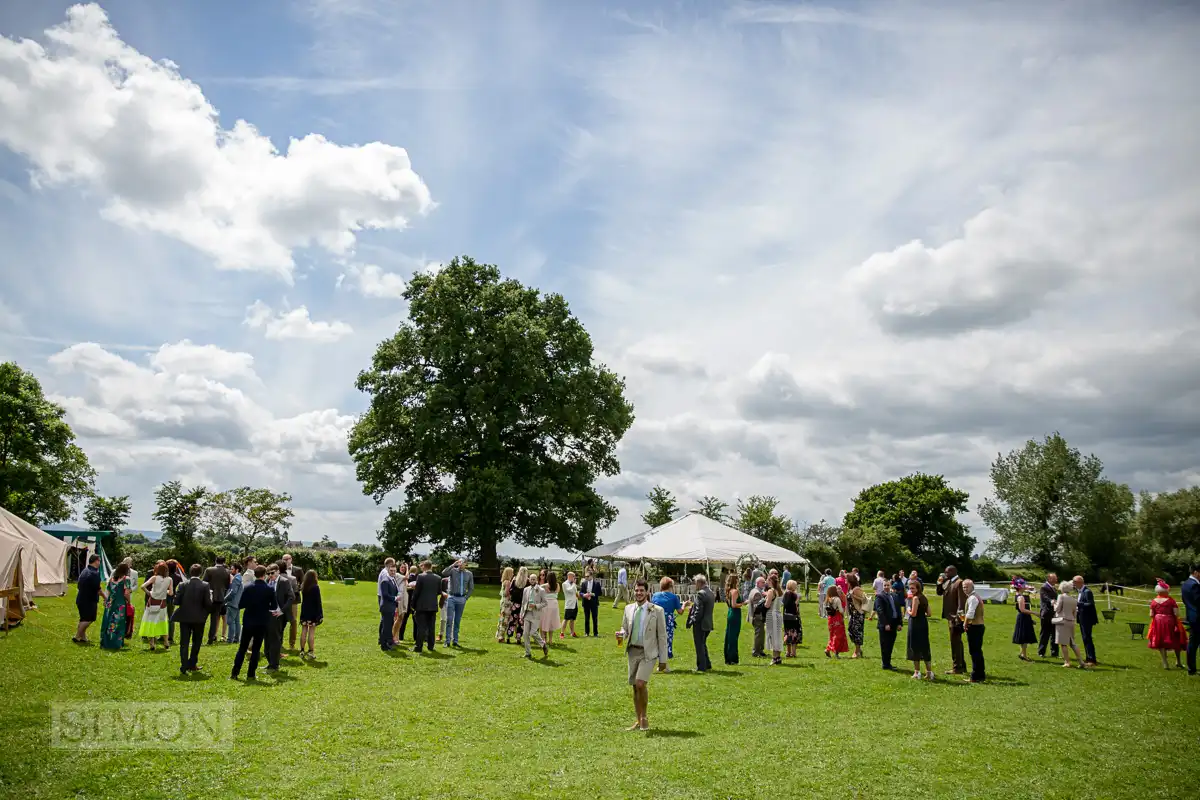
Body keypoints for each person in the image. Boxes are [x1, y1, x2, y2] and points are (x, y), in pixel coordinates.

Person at [617, 579, 668, 731]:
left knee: (640, 683)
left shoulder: (657, 611)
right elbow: (625, 628)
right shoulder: (628, 609)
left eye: (641, 591)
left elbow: (662, 636)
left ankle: (644, 716)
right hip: (632, 651)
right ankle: (638, 720)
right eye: (636, 590)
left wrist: (663, 660)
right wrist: (621, 634)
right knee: (634, 687)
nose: (639, 593)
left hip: (649, 653)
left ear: (647, 592)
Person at [230, 565, 280, 680]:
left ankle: (235, 672)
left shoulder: (248, 587)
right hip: (262, 621)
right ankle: (251, 674)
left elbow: (240, 604)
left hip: (248, 620)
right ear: (264, 575)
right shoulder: (269, 589)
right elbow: (274, 606)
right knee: (256, 649)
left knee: (242, 648)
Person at [173, 563, 214, 675]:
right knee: (197, 642)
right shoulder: (205, 585)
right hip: (199, 618)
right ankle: (192, 663)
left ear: (190, 572)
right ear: (201, 573)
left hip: (185, 617)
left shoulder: (182, 585)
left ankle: (184, 665)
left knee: (184, 642)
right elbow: (208, 603)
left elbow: (176, 601)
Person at [1148, 580, 1186, 670]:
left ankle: (1165, 663)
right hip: (1170, 621)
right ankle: (1178, 661)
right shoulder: (1171, 601)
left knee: (1160, 640)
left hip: (1157, 622)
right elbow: (1176, 613)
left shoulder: (1153, 602)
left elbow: (1151, 615)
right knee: (1176, 639)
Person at [650, 577, 687, 664]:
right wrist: (684, 605)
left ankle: (658, 662)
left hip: (656, 620)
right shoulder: (674, 597)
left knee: (657, 640)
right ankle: (664, 665)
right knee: (666, 642)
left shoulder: (655, 595)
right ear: (671, 586)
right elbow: (680, 612)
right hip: (668, 621)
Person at [138, 562, 173, 650]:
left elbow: (142, 586)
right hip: (162, 603)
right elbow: (171, 592)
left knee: (150, 622)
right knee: (163, 622)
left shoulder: (154, 578)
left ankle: (152, 644)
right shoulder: (169, 579)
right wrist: (164, 591)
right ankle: (166, 642)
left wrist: (149, 593)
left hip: (152, 602)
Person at [410, 560, 443, 653]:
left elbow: (416, 592)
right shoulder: (438, 578)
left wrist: (412, 604)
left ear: (424, 566)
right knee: (431, 627)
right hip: (433, 605)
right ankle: (431, 646)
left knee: (421, 627)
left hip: (422, 605)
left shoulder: (421, 576)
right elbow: (439, 592)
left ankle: (418, 647)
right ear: (431, 566)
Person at [99, 562, 133, 651]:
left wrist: (106, 601)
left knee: (108, 620)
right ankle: (115, 643)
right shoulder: (126, 579)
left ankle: (105, 641)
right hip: (120, 603)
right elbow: (126, 593)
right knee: (118, 622)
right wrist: (129, 602)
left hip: (110, 602)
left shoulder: (111, 579)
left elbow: (109, 591)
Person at [267, 564, 295, 670]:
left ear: (278, 571)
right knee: (267, 640)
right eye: (268, 574)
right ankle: (270, 663)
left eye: (272, 573)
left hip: (278, 614)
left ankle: (274, 665)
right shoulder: (267, 581)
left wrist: (281, 611)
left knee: (275, 640)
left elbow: (291, 597)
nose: (270, 576)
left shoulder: (284, 581)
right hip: (268, 614)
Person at [442, 558, 474, 647]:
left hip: (461, 599)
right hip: (451, 597)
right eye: (459, 562)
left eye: (462, 563)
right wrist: (453, 564)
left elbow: (471, 588)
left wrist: (466, 598)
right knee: (449, 619)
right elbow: (444, 573)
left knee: (457, 620)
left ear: (465, 564)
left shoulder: (469, 574)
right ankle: (447, 641)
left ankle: (455, 641)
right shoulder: (453, 571)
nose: (460, 564)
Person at [940, 565, 967, 675]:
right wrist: (939, 582)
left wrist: (959, 617)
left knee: (955, 642)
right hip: (950, 616)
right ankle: (962, 666)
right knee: (956, 642)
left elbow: (962, 601)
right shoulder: (949, 582)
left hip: (955, 617)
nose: (945, 574)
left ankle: (957, 668)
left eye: (947, 572)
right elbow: (939, 592)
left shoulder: (959, 582)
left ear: (953, 572)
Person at [1053, 580, 1086, 669]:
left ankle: (1067, 662)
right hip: (1071, 621)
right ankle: (1081, 661)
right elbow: (1075, 613)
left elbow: (1058, 609)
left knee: (1063, 643)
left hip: (1062, 621)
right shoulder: (1074, 599)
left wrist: (1054, 604)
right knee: (1072, 643)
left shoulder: (1061, 596)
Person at [906, 578, 933, 679]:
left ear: (918, 588)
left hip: (915, 624)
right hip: (923, 623)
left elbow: (913, 614)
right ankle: (929, 672)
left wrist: (908, 609)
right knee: (925, 646)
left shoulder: (915, 598)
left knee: (914, 647)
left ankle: (917, 672)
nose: (911, 590)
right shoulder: (924, 597)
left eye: (913, 588)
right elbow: (929, 613)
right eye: (910, 588)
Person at [874, 578, 902, 671]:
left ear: (891, 586)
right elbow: (880, 611)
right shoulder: (879, 596)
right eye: (884, 585)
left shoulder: (894, 596)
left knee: (891, 644)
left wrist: (899, 623)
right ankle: (885, 664)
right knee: (885, 645)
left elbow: (898, 610)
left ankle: (888, 662)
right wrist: (885, 623)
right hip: (885, 624)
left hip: (894, 623)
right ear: (882, 586)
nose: (886, 587)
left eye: (888, 585)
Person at [73, 554, 102, 643]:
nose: (100, 563)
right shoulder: (94, 573)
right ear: (96, 561)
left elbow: (79, 585)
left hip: (81, 599)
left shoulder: (85, 571)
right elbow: (98, 589)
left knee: (83, 618)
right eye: (99, 561)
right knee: (89, 619)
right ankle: (77, 636)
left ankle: (83, 638)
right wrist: (106, 598)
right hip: (89, 600)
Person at [961, 579, 986, 683]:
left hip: (975, 627)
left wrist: (965, 623)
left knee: (975, 652)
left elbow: (970, 614)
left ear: (972, 587)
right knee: (977, 651)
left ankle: (976, 676)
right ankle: (980, 675)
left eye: (966, 587)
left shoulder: (972, 598)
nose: (964, 589)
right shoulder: (974, 596)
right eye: (963, 587)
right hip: (978, 626)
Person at [520, 572, 549, 658]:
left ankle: (543, 645)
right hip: (527, 613)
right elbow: (523, 602)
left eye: (534, 579)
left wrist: (536, 606)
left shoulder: (541, 590)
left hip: (536, 614)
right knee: (525, 634)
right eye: (531, 579)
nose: (532, 580)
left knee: (533, 632)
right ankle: (528, 652)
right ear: (529, 580)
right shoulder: (526, 589)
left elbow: (545, 603)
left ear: (536, 580)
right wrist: (521, 614)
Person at [202, 556, 230, 645]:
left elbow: (204, 582)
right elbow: (227, 586)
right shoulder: (227, 572)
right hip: (220, 598)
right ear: (224, 562)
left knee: (202, 619)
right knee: (214, 620)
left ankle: (198, 638)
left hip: (208, 597)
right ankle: (211, 639)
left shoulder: (209, 570)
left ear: (215, 561)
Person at [691, 574, 715, 672]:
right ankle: (707, 663)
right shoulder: (710, 592)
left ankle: (701, 666)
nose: (694, 585)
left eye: (695, 583)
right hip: (708, 622)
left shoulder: (701, 593)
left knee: (699, 645)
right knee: (703, 644)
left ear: (699, 583)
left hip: (700, 623)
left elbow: (699, 610)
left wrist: (693, 619)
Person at [1073, 575, 1098, 666]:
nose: (1073, 584)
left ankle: (1092, 659)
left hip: (1087, 618)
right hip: (1082, 618)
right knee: (1085, 638)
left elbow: (1090, 604)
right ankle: (1088, 658)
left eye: (1074, 582)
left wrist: (1078, 603)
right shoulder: (1080, 591)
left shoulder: (1087, 591)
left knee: (1087, 637)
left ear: (1080, 582)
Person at [280, 554, 303, 650]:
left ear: (291, 559)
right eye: (283, 559)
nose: (285, 561)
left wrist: (297, 588)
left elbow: (302, 583)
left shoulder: (298, 570)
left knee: (293, 621)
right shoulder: (279, 570)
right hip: (281, 600)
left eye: (287, 559)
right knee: (280, 621)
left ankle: (292, 644)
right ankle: (279, 643)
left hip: (294, 600)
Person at [1011, 578, 1037, 661]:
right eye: (1024, 585)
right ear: (1020, 587)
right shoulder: (1021, 597)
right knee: (1024, 637)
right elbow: (1022, 609)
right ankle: (1024, 655)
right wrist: (1034, 613)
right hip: (1023, 617)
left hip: (1023, 617)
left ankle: (1022, 653)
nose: (1025, 586)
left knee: (1024, 637)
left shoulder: (1017, 595)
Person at [299, 569, 322, 659]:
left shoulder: (303, 586)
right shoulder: (315, 587)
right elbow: (318, 602)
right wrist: (320, 614)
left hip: (305, 611)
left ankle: (301, 650)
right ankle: (311, 651)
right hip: (313, 612)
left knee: (304, 630)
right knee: (311, 632)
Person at [1037, 572, 1060, 659]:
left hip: (1054, 613)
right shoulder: (1044, 587)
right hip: (1046, 613)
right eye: (1054, 578)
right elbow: (1045, 597)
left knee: (1054, 634)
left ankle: (1055, 653)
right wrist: (1051, 601)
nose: (1056, 580)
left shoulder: (1054, 588)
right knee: (1045, 633)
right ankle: (1041, 652)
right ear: (1049, 579)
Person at [762, 574, 784, 665]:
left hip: (772, 614)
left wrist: (762, 602)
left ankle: (775, 657)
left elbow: (767, 605)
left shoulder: (771, 591)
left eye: (767, 580)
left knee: (773, 636)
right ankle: (778, 657)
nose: (766, 581)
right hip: (778, 614)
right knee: (777, 635)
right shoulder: (779, 591)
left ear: (770, 581)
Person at [1182, 565, 1200, 675]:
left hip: (1192, 617)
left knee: (1193, 643)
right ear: (1196, 572)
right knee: (1193, 643)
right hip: (1198, 617)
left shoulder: (1185, 584)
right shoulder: (1194, 585)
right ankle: (1191, 668)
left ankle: (1191, 667)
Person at [724, 573, 744, 665]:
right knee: (733, 636)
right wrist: (743, 603)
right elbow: (734, 604)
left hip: (730, 613)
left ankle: (728, 656)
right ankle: (732, 658)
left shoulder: (728, 591)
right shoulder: (734, 591)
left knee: (729, 635)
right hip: (735, 613)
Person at [846, 574, 868, 659]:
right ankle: (858, 649)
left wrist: (853, 595)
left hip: (858, 613)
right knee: (850, 630)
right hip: (853, 614)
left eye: (846, 579)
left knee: (856, 631)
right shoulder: (850, 589)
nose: (845, 580)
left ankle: (857, 651)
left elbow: (864, 599)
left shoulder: (856, 589)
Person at [824, 584, 849, 658]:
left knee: (832, 635)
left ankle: (828, 649)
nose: (838, 590)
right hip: (837, 618)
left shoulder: (829, 599)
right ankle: (836, 652)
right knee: (839, 636)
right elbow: (841, 610)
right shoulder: (837, 599)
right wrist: (843, 614)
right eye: (836, 589)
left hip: (830, 619)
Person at [378, 564, 399, 651]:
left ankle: (387, 643)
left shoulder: (393, 579)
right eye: (391, 571)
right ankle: (383, 645)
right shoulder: (385, 581)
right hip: (386, 607)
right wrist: (395, 598)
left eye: (394, 571)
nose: (393, 572)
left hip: (391, 606)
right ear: (388, 570)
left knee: (389, 625)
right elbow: (385, 595)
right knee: (386, 627)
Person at [539, 571, 562, 644]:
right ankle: (550, 640)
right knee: (551, 622)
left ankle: (543, 639)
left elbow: (538, 589)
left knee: (544, 621)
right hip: (554, 604)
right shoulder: (557, 585)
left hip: (546, 604)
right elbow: (556, 592)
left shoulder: (545, 585)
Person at [747, 576, 767, 658]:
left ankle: (760, 650)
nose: (764, 584)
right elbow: (757, 607)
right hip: (757, 616)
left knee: (761, 634)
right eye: (763, 582)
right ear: (758, 583)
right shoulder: (757, 593)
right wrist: (765, 600)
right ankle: (756, 651)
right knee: (759, 634)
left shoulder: (755, 590)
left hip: (756, 616)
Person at [224, 562, 244, 644]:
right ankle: (236, 639)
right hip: (238, 603)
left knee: (230, 621)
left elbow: (233, 592)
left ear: (237, 570)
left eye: (232, 569)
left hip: (233, 603)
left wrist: (225, 599)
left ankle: (230, 639)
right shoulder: (240, 578)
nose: (230, 570)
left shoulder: (236, 578)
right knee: (236, 621)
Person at [782, 579, 802, 658]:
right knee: (794, 634)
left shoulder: (785, 594)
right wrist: (798, 599)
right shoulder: (794, 595)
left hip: (786, 617)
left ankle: (788, 652)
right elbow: (795, 606)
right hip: (793, 617)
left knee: (787, 633)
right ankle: (793, 653)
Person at [580, 568, 603, 637]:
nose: (586, 578)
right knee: (587, 618)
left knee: (595, 618)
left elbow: (600, 593)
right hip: (586, 603)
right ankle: (587, 633)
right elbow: (580, 592)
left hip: (594, 603)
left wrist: (593, 594)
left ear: (591, 576)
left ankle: (595, 633)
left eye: (587, 576)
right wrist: (584, 595)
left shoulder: (597, 583)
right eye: (585, 576)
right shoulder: (584, 583)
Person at [506, 567, 526, 643]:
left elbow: (510, 590)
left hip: (515, 603)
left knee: (512, 620)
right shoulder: (527, 582)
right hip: (523, 604)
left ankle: (508, 636)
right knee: (521, 622)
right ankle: (518, 638)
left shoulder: (514, 580)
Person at [496, 566, 514, 642]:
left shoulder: (503, 581)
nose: (513, 574)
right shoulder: (508, 582)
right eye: (512, 572)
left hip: (503, 602)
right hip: (507, 603)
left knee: (501, 619)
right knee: (505, 620)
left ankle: (499, 635)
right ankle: (501, 637)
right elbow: (507, 593)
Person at [121, 557, 138, 639]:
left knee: (128, 613)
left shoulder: (135, 573)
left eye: (129, 563)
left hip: (129, 595)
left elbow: (136, 584)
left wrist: (131, 590)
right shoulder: (116, 571)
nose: (128, 565)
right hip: (120, 595)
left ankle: (128, 631)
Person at [561, 571, 580, 639]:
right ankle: (562, 633)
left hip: (575, 604)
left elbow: (574, 591)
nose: (575, 578)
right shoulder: (564, 584)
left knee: (572, 619)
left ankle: (572, 632)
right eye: (573, 577)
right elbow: (569, 590)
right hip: (569, 604)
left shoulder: (573, 584)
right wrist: (574, 584)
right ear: (569, 577)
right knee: (566, 619)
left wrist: (577, 594)